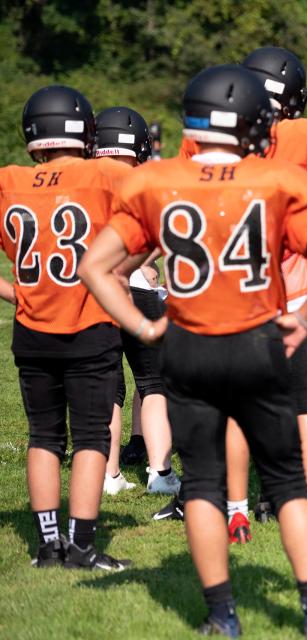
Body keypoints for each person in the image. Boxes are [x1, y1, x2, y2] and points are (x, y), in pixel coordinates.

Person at [78, 64, 307, 638]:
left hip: (188, 347)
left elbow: (94, 266)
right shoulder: (278, 179)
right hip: (258, 342)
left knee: (205, 485)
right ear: (256, 124)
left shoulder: (153, 180)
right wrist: (304, 317)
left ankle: (221, 617)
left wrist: (142, 323)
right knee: (286, 484)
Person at [178, 46, 307, 543]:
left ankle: (236, 512)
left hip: (234, 292)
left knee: (236, 407)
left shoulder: (214, 135)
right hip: (293, 295)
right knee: (306, 407)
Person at [0, 85, 131, 570]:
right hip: (89, 322)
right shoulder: (106, 172)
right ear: (86, 132)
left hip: (30, 327)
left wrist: (16, 290)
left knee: (44, 436)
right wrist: (122, 270)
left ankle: (47, 545)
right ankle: (80, 547)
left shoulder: (7, 180)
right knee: (93, 437)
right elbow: (159, 219)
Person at [93, 106, 180, 499]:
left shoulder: (81, 180)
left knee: (109, 387)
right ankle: (159, 472)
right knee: (155, 383)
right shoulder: (146, 181)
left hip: (94, 291)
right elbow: (161, 239)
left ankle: (109, 474)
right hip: (138, 289)